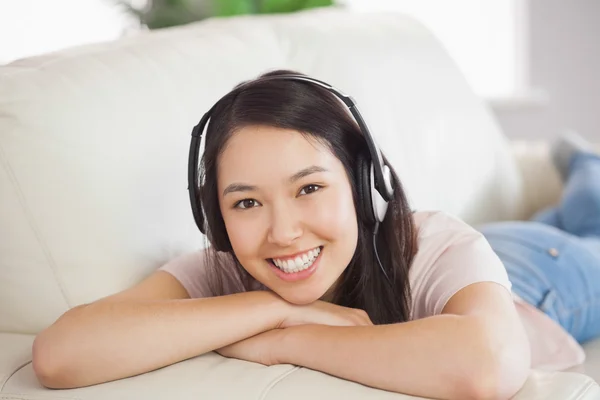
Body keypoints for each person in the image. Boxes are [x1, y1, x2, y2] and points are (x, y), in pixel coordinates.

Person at [34, 69, 556, 400]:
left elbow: (485, 368)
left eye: (308, 189)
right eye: (246, 202)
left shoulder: (439, 246)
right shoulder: (219, 268)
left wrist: (288, 342)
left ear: (360, 183)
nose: (282, 232)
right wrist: (276, 309)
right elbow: (62, 355)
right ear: (214, 216)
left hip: (544, 275)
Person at [478, 131, 600, 370]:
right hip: (492, 245)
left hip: (532, 268)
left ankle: (585, 161)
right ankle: (583, 163)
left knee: (591, 225)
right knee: (582, 225)